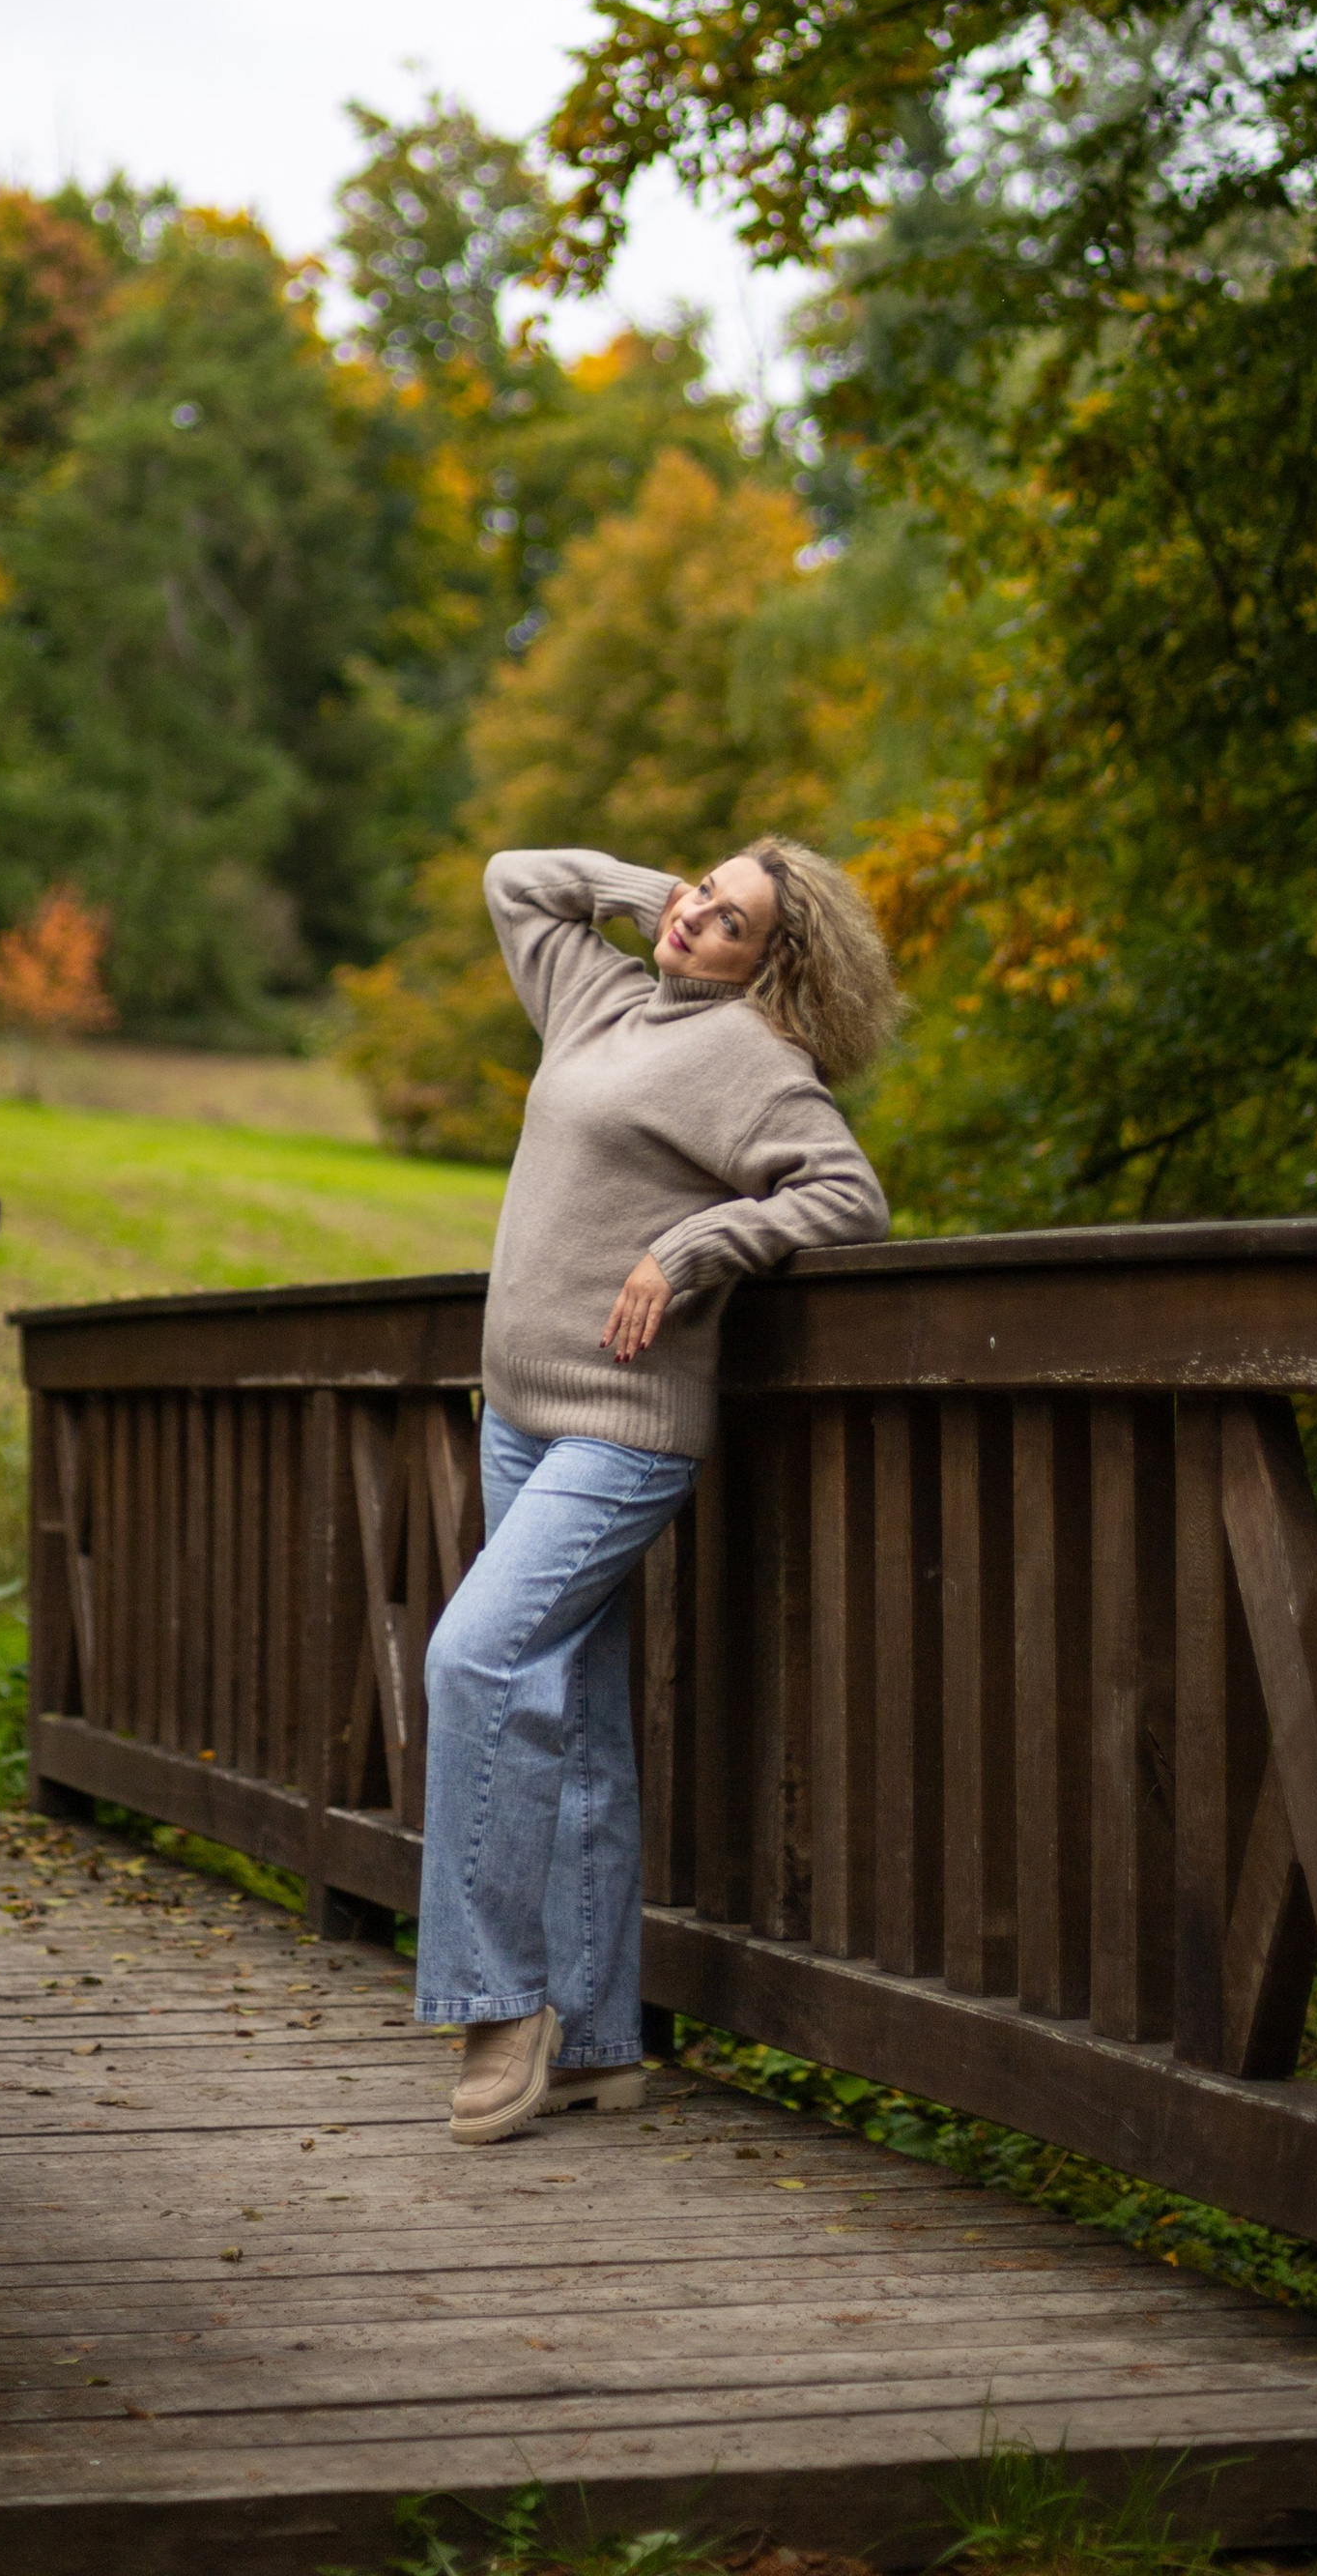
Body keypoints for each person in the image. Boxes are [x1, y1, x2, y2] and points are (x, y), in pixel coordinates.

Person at [415, 839, 900, 2146]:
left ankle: (500, 2005)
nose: (693, 923)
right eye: (700, 895)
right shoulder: (598, 992)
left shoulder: (753, 1061)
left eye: (731, 922)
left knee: (473, 1660)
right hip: (515, 1415)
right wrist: (650, 896)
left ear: (774, 964)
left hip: (621, 1434)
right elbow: (513, 875)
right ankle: (599, 2043)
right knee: (570, 1728)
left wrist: (694, 1245)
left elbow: (849, 1194)